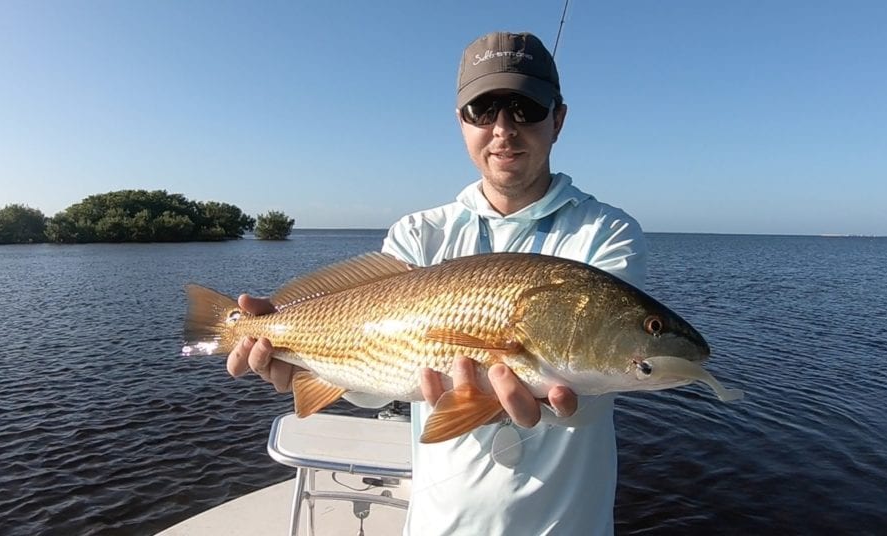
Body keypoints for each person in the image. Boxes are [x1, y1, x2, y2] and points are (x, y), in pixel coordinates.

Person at [227, 31, 647, 535]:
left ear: (557, 119)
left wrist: (560, 404)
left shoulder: (605, 231)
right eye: (482, 110)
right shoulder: (418, 233)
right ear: (460, 122)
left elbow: (601, 377)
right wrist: (304, 364)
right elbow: (375, 386)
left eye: (526, 108)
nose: (503, 129)